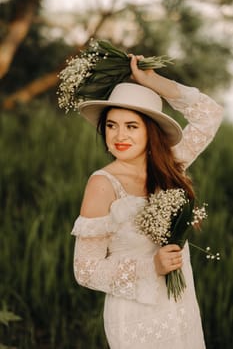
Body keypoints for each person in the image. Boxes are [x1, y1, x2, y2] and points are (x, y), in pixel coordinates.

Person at [71, 55, 223, 349]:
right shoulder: (102, 184)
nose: (119, 136)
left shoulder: (170, 167)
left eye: (132, 126)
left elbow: (210, 114)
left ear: (150, 130)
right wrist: (150, 265)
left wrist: (155, 83)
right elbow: (85, 271)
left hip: (180, 305)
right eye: (112, 125)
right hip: (136, 316)